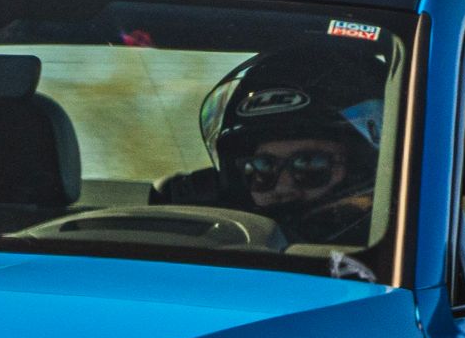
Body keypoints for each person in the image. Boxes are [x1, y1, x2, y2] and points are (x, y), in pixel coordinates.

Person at [155, 50, 384, 248]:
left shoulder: (397, 256)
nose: (283, 186)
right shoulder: (208, 253)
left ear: (361, 169)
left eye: (310, 165)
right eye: (261, 168)